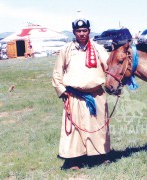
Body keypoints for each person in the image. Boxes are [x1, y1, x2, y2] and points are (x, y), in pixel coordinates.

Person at [52, 18, 110, 170]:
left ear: (89, 31)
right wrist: (62, 91)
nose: (82, 33)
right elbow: (57, 72)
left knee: (97, 127)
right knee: (74, 129)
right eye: (79, 31)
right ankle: (73, 160)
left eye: (85, 30)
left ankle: (99, 156)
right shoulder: (66, 50)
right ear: (74, 32)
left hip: (96, 94)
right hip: (74, 95)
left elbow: (109, 67)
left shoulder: (98, 49)